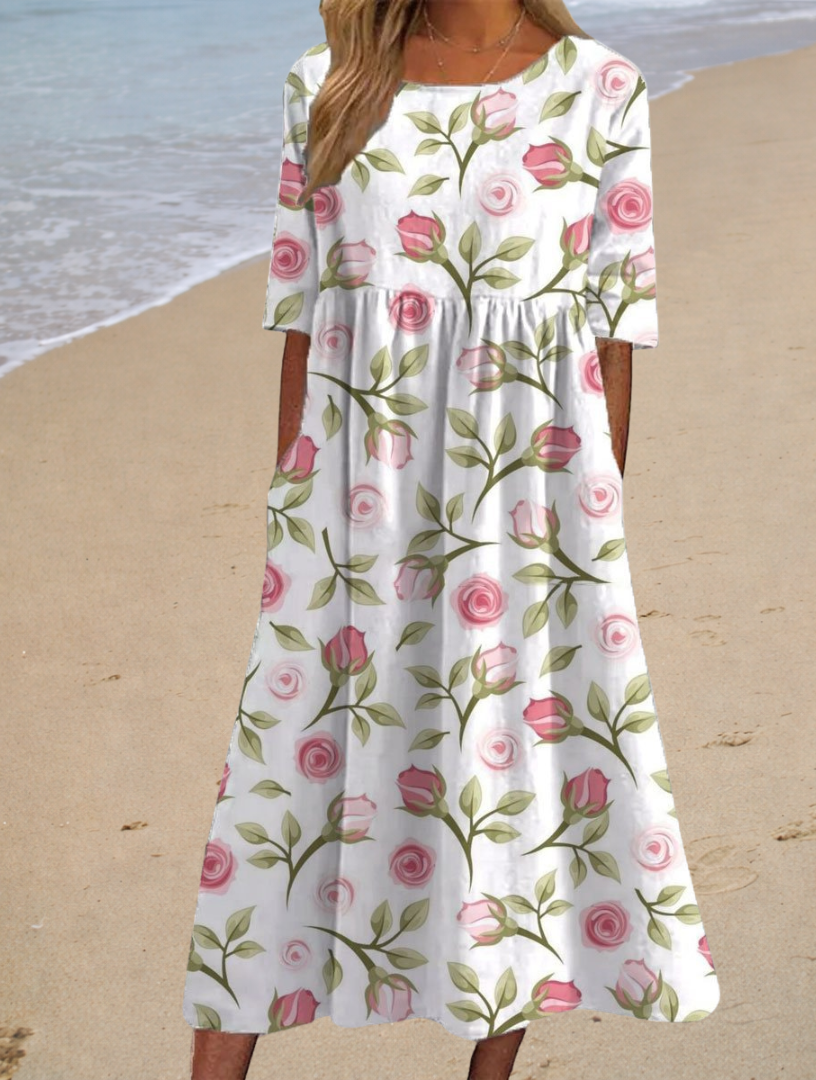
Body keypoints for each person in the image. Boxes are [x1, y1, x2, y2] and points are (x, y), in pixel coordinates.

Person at [182, 1, 720, 1077]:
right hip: (350, 502)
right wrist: (291, 509)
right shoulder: (329, 85)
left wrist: (588, 538)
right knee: (283, 785)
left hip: (529, 505)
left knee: (504, 770)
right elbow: (302, 314)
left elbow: (616, 328)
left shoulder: (601, 89)